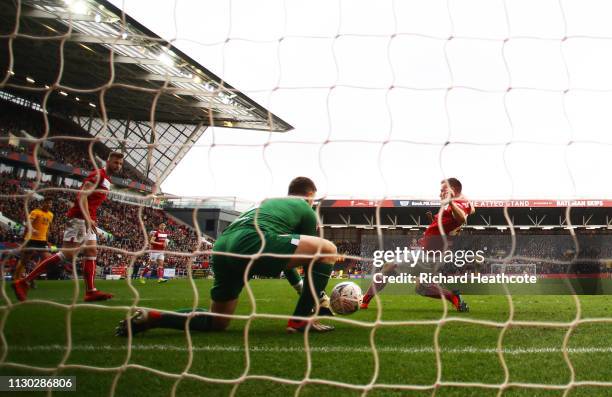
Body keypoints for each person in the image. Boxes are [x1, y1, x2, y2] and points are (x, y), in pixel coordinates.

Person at [116, 176, 340, 336]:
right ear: (310, 195)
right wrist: (318, 297)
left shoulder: (268, 203)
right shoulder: (306, 209)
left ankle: (154, 317)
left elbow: (285, 256)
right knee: (327, 249)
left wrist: (300, 287)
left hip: (223, 246)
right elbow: (310, 256)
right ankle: (301, 321)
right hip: (252, 241)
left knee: (218, 321)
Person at [12, 152, 125, 302]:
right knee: (67, 255)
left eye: (120, 164)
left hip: (88, 218)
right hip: (79, 218)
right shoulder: (98, 174)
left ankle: (91, 291)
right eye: (116, 162)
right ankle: (24, 281)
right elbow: (82, 196)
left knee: (91, 251)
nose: (118, 166)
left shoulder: (106, 180)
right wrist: (86, 217)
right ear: (108, 161)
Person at [360, 178, 474, 312]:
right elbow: (471, 210)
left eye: (443, 190)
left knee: (388, 266)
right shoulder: (457, 203)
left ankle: (364, 301)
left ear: (453, 190)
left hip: (428, 254)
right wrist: (433, 219)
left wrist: (452, 201)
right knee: (422, 288)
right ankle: (453, 298)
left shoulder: (455, 204)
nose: (440, 194)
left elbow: (462, 218)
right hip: (433, 254)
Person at [14, 198, 54, 287]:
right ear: (42, 203)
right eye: (47, 203)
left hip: (42, 241)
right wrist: (32, 229)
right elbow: (27, 223)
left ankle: (30, 278)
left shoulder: (51, 215)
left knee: (48, 260)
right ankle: (16, 281)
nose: (49, 205)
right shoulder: (35, 212)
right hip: (31, 240)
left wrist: (47, 241)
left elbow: (47, 229)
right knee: (24, 261)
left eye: (50, 203)